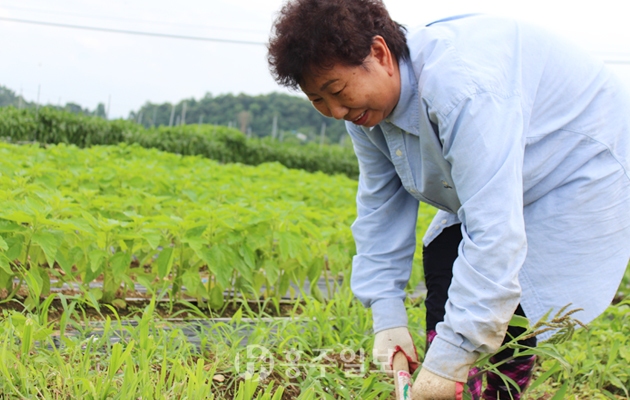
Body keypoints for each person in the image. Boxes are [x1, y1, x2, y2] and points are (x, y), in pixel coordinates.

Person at [267, 1, 630, 399]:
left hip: (580, 161)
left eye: (337, 91)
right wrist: (386, 317)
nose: (335, 111)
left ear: (380, 54)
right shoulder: (363, 112)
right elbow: (380, 209)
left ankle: (487, 391)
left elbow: (494, 233)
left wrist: (449, 362)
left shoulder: (462, 86)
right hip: (519, 163)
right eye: (318, 100)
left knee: (513, 303)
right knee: (444, 256)